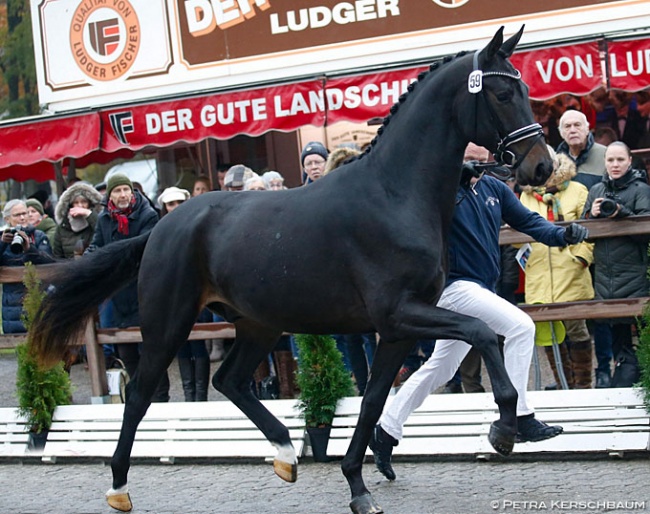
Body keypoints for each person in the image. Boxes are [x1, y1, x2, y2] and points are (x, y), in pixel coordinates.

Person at [369, 144, 589, 481]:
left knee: (441, 368)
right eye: (466, 155)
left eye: (479, 155)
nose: (474, 160)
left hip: (479, 288)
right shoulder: (440, 188)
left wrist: (563, 234)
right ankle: (518, 417)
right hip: (452, 286)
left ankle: (385, 430)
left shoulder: (495, 188)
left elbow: (528, 221)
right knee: (520, 326)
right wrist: (455, 177)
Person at [87, 173, 170, 402]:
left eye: (126, 190)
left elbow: (142, 248)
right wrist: (86, 262)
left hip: (144, 290)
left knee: (150, 350)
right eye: (117, 191)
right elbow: (96, 246)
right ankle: (139, 397)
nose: (123, 195)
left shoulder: (147, 215)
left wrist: (111, 257)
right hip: (119, 294)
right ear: (110, 195)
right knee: (127, 350)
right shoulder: (104, 219)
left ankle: (161, 398)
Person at [520, 148, 595, 389]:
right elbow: (518, 234)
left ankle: (582, 386)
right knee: (548, 335)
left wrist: (581, 258)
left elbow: (590, 231)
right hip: (539, 274)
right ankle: (563, 385)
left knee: (577, 331)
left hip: (571, 272)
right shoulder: (526, 196)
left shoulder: (577, 190)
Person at [583, 141, 650, 388]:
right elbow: (584, 230)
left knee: (641, 334)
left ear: (630, 161)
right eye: (610, 160)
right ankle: (625, 375)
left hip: (634, 274)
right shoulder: (596, 190)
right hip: (605, 276)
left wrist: (623, 214)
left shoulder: (641, 190)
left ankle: (634, 381)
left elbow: (645, 234)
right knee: (618, 338)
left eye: (620, 160)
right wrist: (593, 216)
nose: (614, 164)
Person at [158, 186, 211, 402]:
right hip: (174, 295)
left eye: (179, 202)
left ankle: (201, 397)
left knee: (199, 344)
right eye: (171, 204)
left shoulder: (199, 224)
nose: (176, 207)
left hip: (200, 292)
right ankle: (190, 396)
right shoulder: (161, 230)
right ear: (165, 207)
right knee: (180, 345)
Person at [1, 199, 55, 333]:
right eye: (17, 215)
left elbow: (48, 262)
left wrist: (29, 248)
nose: (23, 217)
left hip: (39, 296)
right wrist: (2, 243)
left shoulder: (39, 236)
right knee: (18, 344)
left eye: (24, 213)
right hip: (13, 303)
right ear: (7, 219)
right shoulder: (2, 238)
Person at [556, 109, 606, 190]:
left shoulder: (606, 155)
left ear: (587, 129)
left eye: (577, 125)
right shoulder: (556, 160)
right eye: (567, 126)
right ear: (561, 133)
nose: (572, 130)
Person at [52, 182, 103, 259]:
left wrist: (88, 214)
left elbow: (102, 230)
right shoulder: (63, 227)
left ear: (89, 203)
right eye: (76, 202)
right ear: (70, 205)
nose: (80, 206)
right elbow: (58, 256)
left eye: (84, 202)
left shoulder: (96, 220)